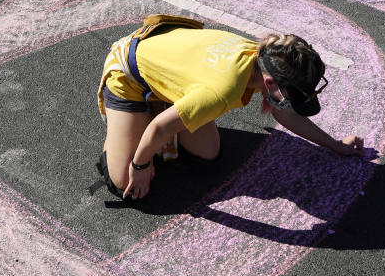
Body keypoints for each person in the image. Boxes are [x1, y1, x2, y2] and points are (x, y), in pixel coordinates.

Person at [95, 19, 365, 201]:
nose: (290, 103)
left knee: (208, 156)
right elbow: (160, 128)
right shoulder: (222, 91)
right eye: (290, 95)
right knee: (124, 184)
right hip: (128, 72)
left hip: (167, 61)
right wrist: (140, 164)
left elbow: (285, 113)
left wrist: (335, 145)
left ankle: (165, 101)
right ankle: (137, 117)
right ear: (270, 83)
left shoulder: (263, 56)